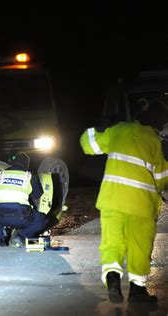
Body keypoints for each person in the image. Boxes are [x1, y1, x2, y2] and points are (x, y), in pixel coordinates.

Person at [79, 100, 167, 303]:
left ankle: (113, 281)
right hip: (141, 206)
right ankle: (137, 292)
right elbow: (162, 178)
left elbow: (88, 143)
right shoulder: (154, 142)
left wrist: (100, 128)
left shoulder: (119, 130)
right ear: (159, 125)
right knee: (139, 247)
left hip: (112, 200)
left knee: (112, 244)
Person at [0, 152, 48, 247]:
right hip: (20, 217)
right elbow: (38, 194)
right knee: (43, 219)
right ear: (26, 164)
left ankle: (0, 238)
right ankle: (21, 237)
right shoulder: (28, 176)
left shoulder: (0, 174)